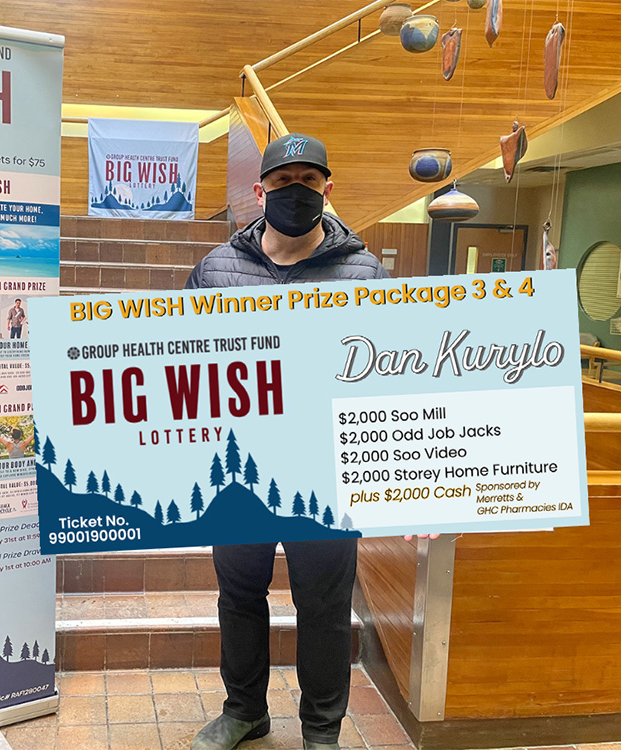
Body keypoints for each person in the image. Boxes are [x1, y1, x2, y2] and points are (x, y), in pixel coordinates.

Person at [186, 134, 437, 750]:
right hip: (237, 468)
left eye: (308, 179)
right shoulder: (216, 269)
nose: (294, 191)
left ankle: (321, 730)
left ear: (329, 188)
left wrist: (423, 480)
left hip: (327, 472)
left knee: (323, 606)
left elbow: (396, 381)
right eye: (282, 181)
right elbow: (183, 367)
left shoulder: (364, 273)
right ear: (258, 190)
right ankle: (245, 709)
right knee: (239, 594)